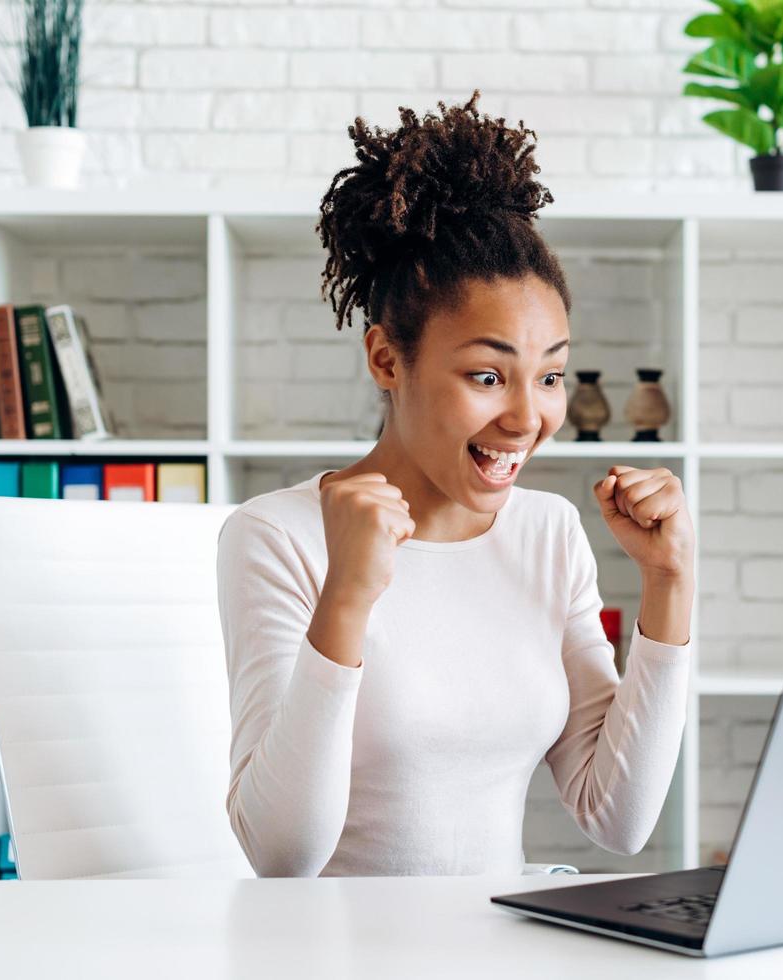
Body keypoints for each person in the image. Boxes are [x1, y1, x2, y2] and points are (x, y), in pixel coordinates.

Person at [216, 90, 695, 877]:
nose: (527, 417)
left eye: (549, 378)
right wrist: (347, 596)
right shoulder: (277, 537)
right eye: (485, 374)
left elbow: (617, 817)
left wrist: (668, 582)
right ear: (385, 359)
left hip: (495, 946)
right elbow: (281, 854)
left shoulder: (545, 532)